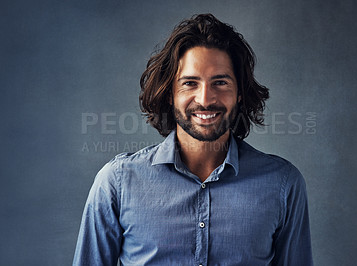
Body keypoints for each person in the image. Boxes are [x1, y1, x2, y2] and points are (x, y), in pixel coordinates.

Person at [73, 13, 313, 266]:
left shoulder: (283, 184)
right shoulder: (116, 183)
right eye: (190, 83)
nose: (205, 99)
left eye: (220, 82)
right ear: (169, 93)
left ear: (240, 93)